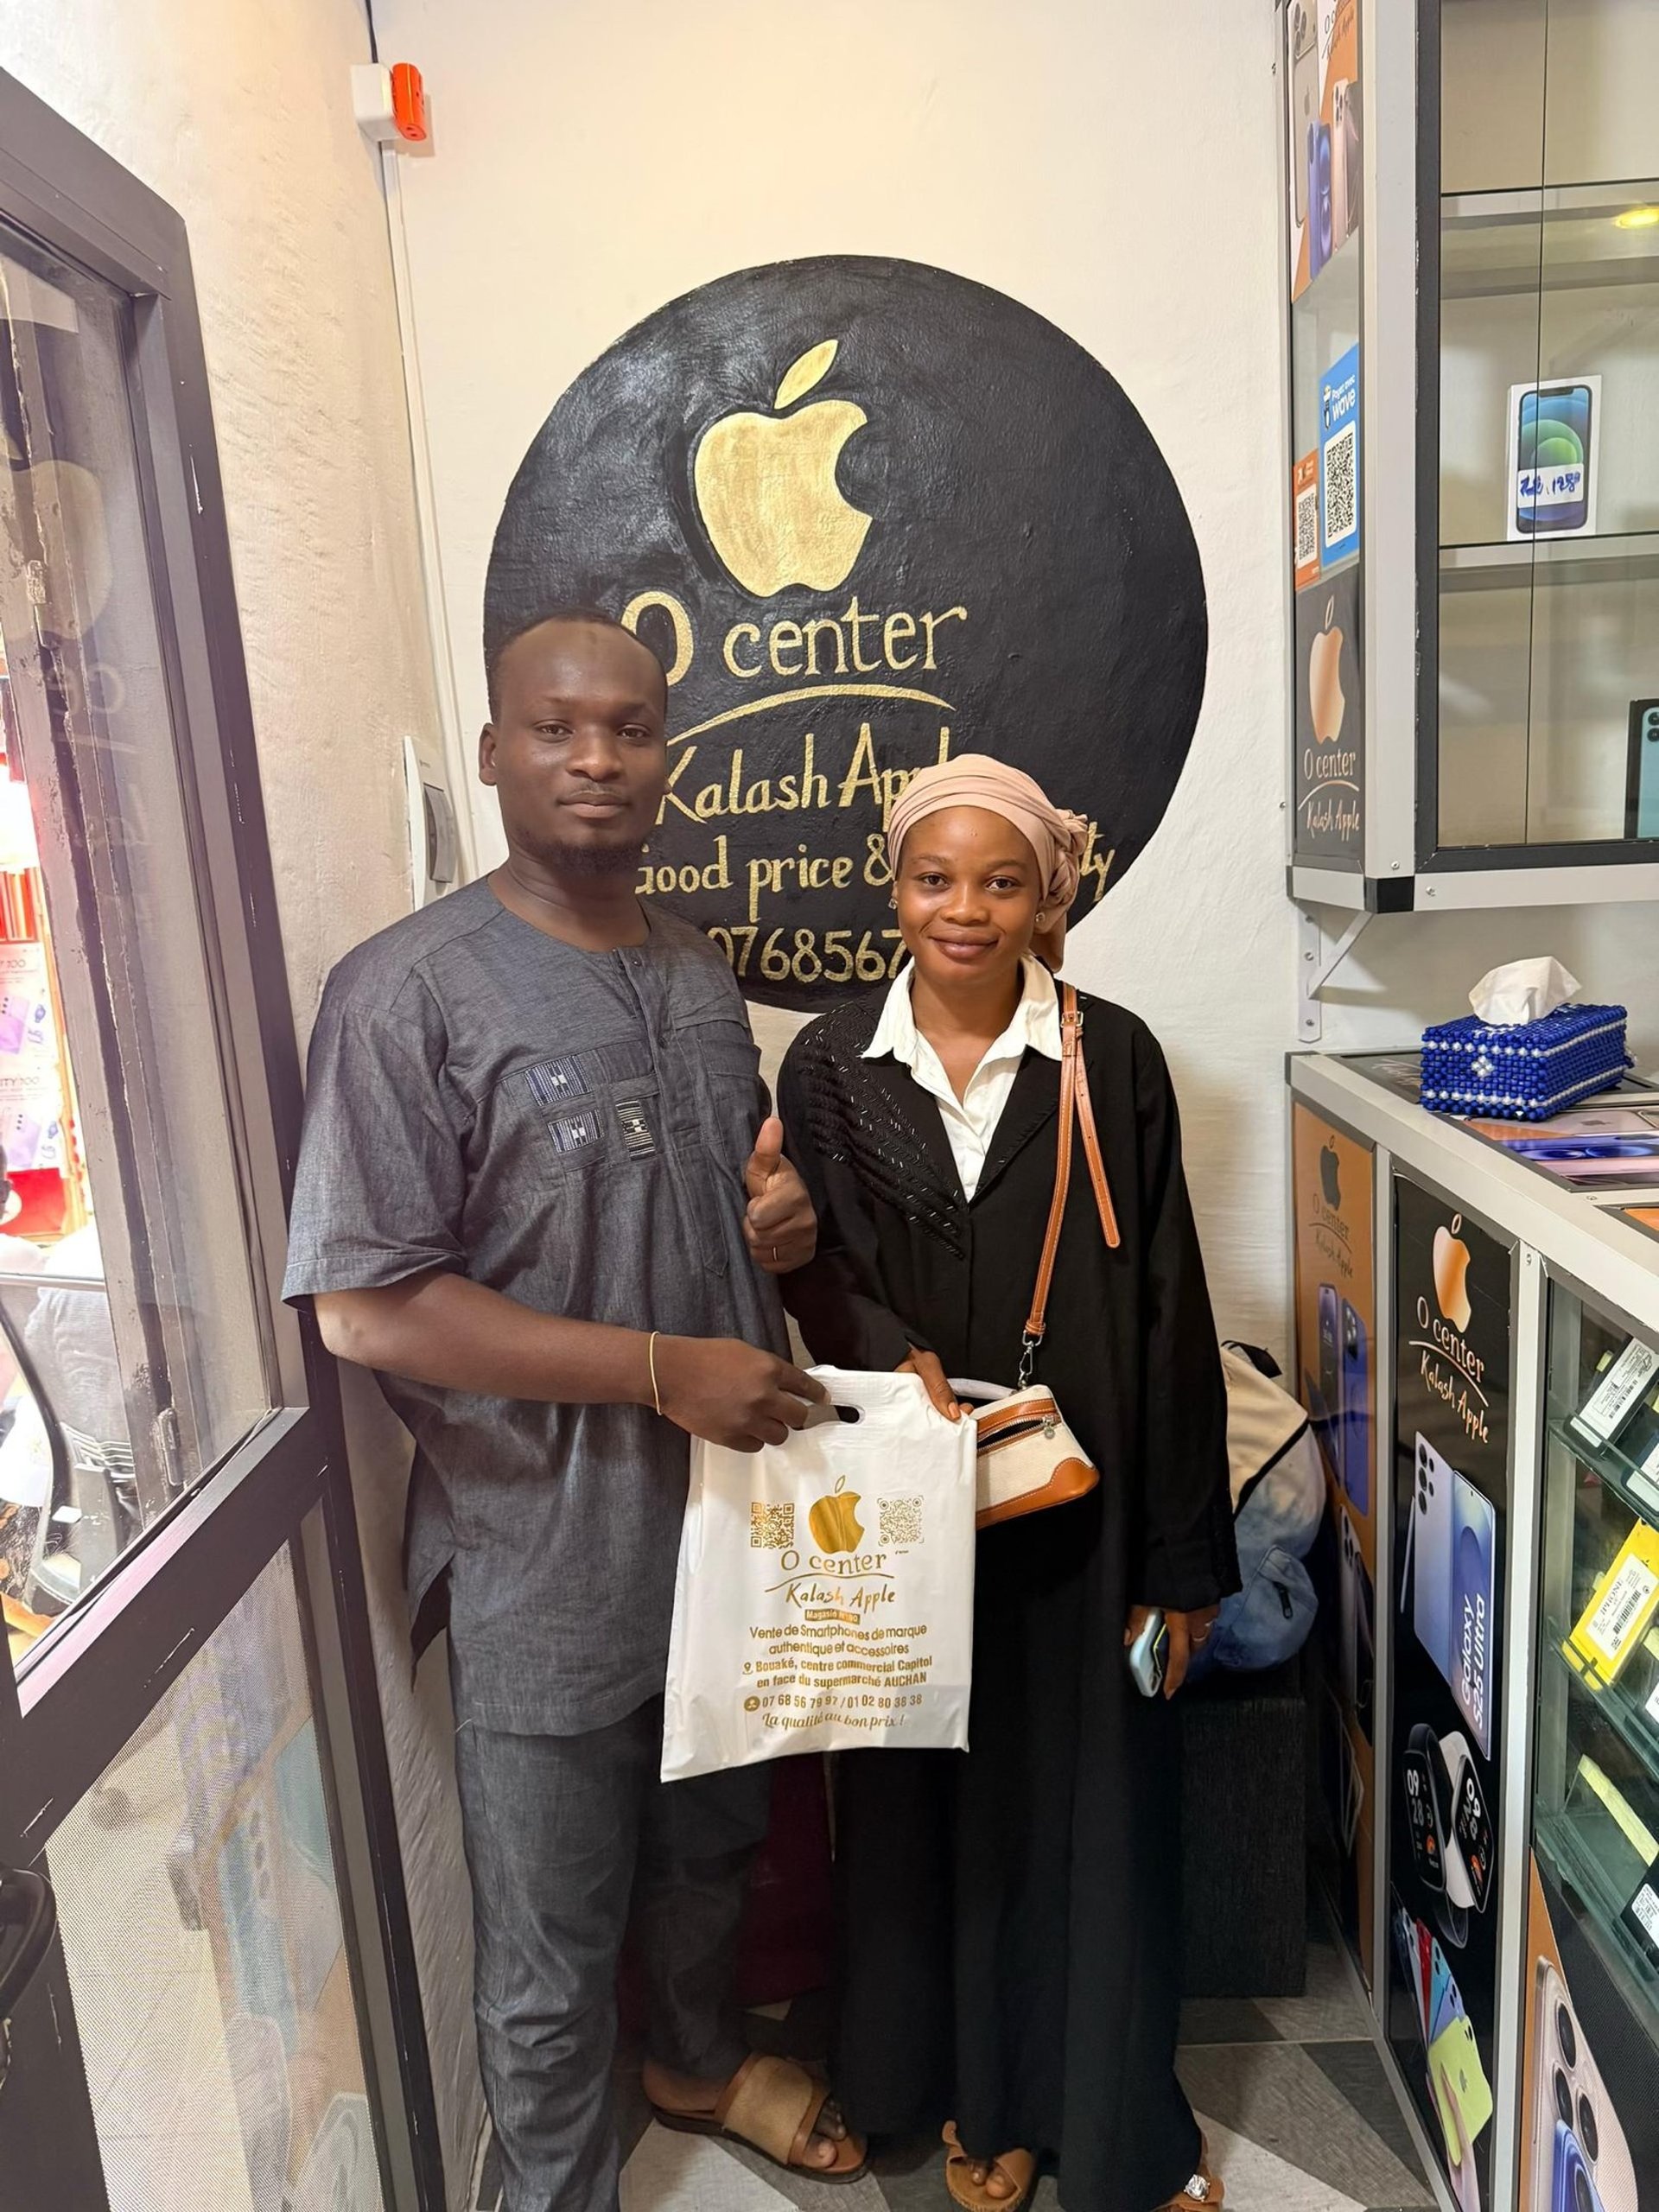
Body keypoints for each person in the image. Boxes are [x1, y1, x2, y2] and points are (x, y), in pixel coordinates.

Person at [283, 610, 865, 2212]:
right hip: (541, 1550)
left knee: (712, 1849)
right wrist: (664, 1371)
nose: (596, 759)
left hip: (726, 1523)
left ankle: (690, 2059)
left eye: (630, 729)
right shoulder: (405, 993)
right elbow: (366, 1304)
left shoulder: (689, 964)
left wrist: (780, 1228)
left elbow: (699, 1201)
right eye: (555, 729)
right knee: (547, 1951)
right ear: (492, 751)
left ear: (669, 756)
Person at [777, 755, 1239, 2212]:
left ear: (1050, 895)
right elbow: (826, 1277)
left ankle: (1087, 2116)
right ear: (894, 887)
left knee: (1088, 1802)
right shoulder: (832, 1065)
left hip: (1082, 1500)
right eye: (934, 878)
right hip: (908, 1499)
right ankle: (957, 2095)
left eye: (999, 881)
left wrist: (1182, 1561)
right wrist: (888, 1350)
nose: (962, 911)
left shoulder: (1116, 1057)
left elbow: (1167, 1311)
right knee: (923, 1801)